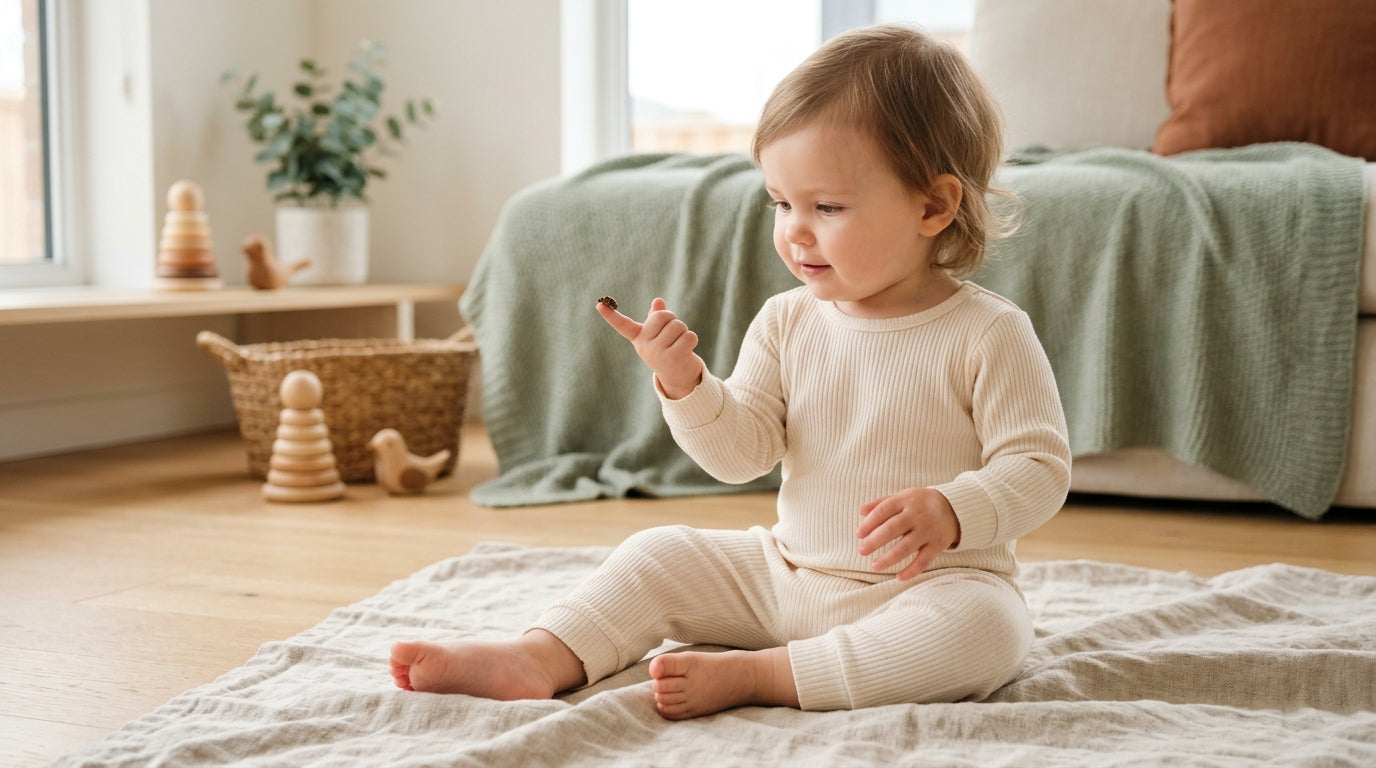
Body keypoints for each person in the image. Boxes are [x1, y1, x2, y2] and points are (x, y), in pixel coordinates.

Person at [389, 23, 1071, 719]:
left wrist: (956, 510)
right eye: (781, 203)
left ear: (933, 206)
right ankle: (538, 656)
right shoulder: (785, 320)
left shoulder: (989, 331)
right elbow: (739, 455)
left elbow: (1040, 467)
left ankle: (767, 676)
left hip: (931, 587)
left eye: (826, 207)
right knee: (661, 553)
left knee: (991, 631)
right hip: (786, 576)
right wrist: (687, 386)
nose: (794, 231)